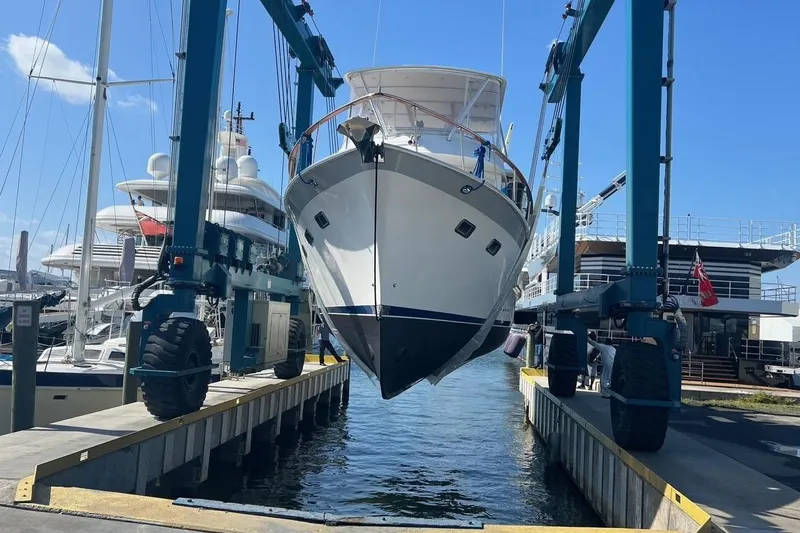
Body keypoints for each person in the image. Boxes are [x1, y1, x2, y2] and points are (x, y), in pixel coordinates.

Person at [587, 332, 616, 398]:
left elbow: (593, 343)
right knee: (609, 379)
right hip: (613, 364)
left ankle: (606, 394)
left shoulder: (603, 347)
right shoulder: (613, 349)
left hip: (606, 364)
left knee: (604, 379)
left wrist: (587, 338)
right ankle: (610, 393)